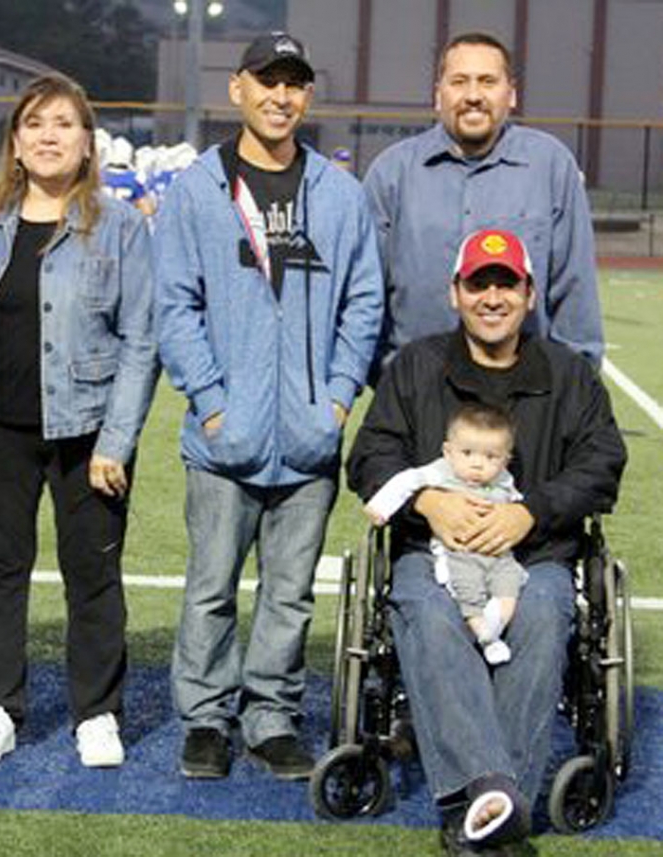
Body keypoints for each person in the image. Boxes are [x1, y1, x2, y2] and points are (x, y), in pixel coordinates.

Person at [346, 227, 626, 854]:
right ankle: (496, 798)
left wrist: (533, 512)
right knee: (425, 607)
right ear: (455, 293)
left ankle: (482, 807)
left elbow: (602, 461)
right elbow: (370, 456)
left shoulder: (568, 375)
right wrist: (427, 500)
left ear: (529, 295)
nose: (492, 296)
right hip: (434, 552)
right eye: (479, 283)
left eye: (507, 284)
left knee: (546, 613)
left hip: (536, 555)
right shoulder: (417, 366)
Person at [154, 31, 384, 781]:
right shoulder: (197, 188)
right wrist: (214, 404)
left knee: (290, 595)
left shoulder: (339, 193)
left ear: (307, 95)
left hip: (310, 438)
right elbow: (174, 306)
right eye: (267, 81)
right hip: (226, 438)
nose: (281, 96)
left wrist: (339, 397)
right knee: (211, 589)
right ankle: (207, 719)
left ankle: (273, 717)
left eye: (294, 83)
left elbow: (363, 304)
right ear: (239, 90)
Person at [0, 73, 157, 770]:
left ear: (87, 142)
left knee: (93, 575)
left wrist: (118, 440)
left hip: (87, 433)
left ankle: (97, 712)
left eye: (64, 123)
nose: (48, 136)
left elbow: (141, 340)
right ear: (15, 141)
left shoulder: (122, 227)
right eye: (35, 123)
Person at [362, 31, 604, 373]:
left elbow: (574, 289)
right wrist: (391, 379)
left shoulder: (550, 166)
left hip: (523, 395)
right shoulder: (391, 173)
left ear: (512, 94)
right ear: (438, 95)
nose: (473, 95)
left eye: (488, 81)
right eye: (459, 81)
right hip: (417, 393)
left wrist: (575, 389)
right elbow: (365, 294)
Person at [365, 401, 525, 666]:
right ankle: (485, 636)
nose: (477, 465)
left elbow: (517, 500)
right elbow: (406, 481)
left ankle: (493, 628)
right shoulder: (440, 472)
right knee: (467, 589)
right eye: (467, 453)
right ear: (448, 452)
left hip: (499, 553)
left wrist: (523, 513)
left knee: (510, 586)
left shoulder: (503, 479)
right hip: (458, 552)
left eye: (490, 457)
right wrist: (381, 507)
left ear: (506, 459)